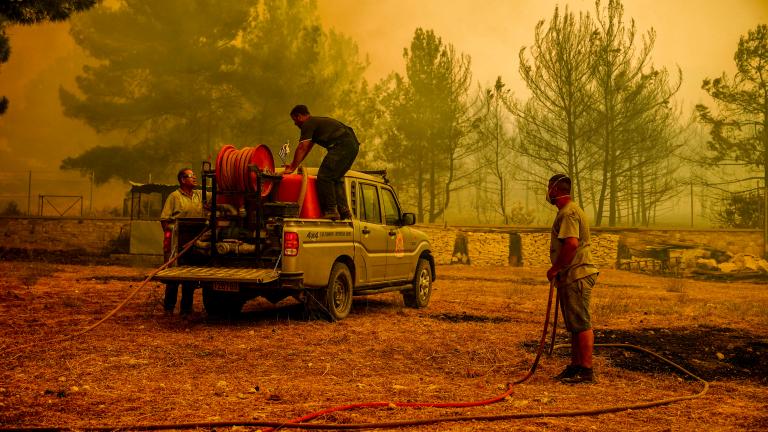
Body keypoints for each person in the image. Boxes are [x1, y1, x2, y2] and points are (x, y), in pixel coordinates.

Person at [546, 173, 599, 384]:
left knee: (581, 323)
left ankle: (586, 371)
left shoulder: (569, 212)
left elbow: (571, 244)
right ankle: (576, 366)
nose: (548, 192)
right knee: (575, 324)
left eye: (549, 188)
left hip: (578, 274)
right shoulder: (567, 211)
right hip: (571, 276)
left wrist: (555, 268)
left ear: (556, 190)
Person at [284, 104, 359, 220]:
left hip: (341, 145)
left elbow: (302, 147)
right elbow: (307, 148)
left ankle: (331, 210)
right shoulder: (316, 123)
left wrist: (292, 167)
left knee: (324, 177)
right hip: (352, 146)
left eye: (295, 120)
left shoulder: (308, 124)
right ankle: (344, 211)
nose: (295, 124)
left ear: (299, 116)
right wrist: (295, 164)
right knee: (335, 178)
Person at [160, 168, 203, 317]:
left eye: (195, 175)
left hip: (195, 241)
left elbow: (220, 196)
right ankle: (169, 309)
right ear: (183, 180)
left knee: (190, 276)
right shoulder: (174, 197)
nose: (195, 178)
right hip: (178, 241)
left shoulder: (199, 195)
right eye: (191, 176)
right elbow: (164, 219)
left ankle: (186, 310)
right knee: (174, 277)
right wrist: (170, 239)